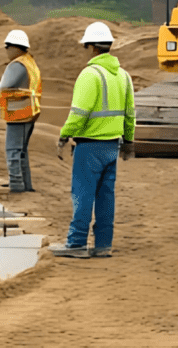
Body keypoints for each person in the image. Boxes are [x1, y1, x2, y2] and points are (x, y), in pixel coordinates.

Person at [49, 21, 135, 259]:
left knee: (83, 194)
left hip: (89, 146)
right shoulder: (124, 77)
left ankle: (76, 243)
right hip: (112, 146)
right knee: (106, 197)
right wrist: (128, 142)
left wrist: (64, 135)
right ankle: (103, 244)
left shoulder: (90, 75)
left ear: (91, 47)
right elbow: (130, 115)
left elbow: (79, 113)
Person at [0, 29, 41, 193]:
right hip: (30, 111)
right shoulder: (30, 62)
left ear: (14, 47)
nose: (6, 51)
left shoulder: (18, 64)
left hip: (18, 113)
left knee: (13, 150)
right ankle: (25, 185)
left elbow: (4, 85)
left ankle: (16, 185)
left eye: (7, 47)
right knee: (21, 151)